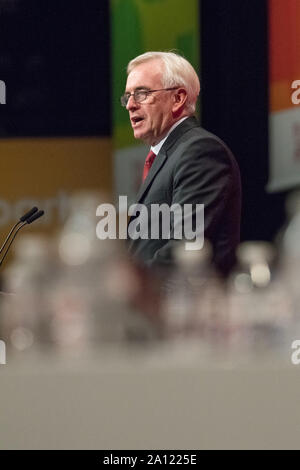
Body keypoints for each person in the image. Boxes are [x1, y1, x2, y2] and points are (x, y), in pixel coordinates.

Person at [121, 51, 241, 276]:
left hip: (191, 304)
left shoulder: (201, 151)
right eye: (127, 96)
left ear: (178, 98)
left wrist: (127, 290)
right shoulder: (169, 154)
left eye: (141, 93)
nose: (130, 105)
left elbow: (183, 245)